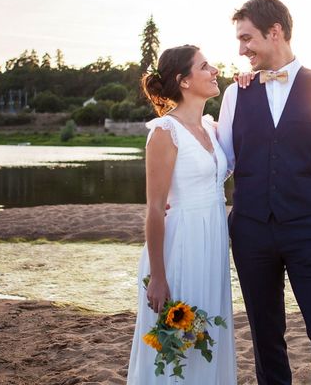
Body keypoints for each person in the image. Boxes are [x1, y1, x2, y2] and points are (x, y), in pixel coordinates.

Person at [217, 0, 311, 385]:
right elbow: (225, 163)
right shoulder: (235, 94)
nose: (241, 49)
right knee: (266, 340)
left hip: (310, 231)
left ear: (275, 31)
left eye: (247, 38)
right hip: (250, 231)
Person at [127, 45, 236, 384]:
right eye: (205, 66)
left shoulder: (211, 128)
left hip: (213, 241)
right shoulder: (164, 132)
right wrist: (158, 275)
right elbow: (156, 209)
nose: (215, 70)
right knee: (178, 345)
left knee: (208, 336)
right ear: (184, 81)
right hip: (182, 245)